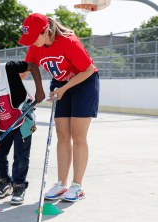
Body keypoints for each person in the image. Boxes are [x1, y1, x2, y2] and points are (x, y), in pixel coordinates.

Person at [18, 13, 100, 202]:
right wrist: (10, 92)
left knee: (78, 135)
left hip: (84, 83)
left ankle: (77, 186)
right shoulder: (35, 45)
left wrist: (64, 88)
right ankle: (61, 184)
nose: (32, 43)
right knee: (62, 135)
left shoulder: (69, 42)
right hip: (61, 84)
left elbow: (88, 69)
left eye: (33, 38)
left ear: (45, 31)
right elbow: (27, 68)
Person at [0, 48, 45, 205]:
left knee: (21, 157)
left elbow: (32, 66)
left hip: (23, 119)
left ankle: (19, 186)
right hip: (3, 124)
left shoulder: (10, 68)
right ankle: (4, 182)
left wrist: (39, 89)